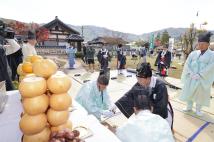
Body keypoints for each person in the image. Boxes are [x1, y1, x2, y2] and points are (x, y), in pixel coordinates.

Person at [114, 62, 174, 128]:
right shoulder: (141, 83)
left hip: (162, 117)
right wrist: (114, 107)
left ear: (148, 78)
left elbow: (161, 109)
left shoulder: (160, 86)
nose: (138, 81)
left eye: (140, 79)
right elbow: (129, 95)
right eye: (137, 79)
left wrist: (144, 110)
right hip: (148, 114)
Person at [108, 95, 174, 142]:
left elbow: (117, 134)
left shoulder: (131, 124)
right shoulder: (163, 121)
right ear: (151, 108)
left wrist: (110, 129)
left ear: (134, 108)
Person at [180, 32, 214, 116]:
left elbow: (211, 67)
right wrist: (190, 73)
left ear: (208, 44)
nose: (201, 45)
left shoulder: (212, 55)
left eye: (203, 44)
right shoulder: (193, 53)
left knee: (200, 94)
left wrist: (200, 74)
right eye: (199, 44)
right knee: (189, 91)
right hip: (192, 76)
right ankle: (189, 107)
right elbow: (187, 63)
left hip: (202, 78)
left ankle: (198, 109)